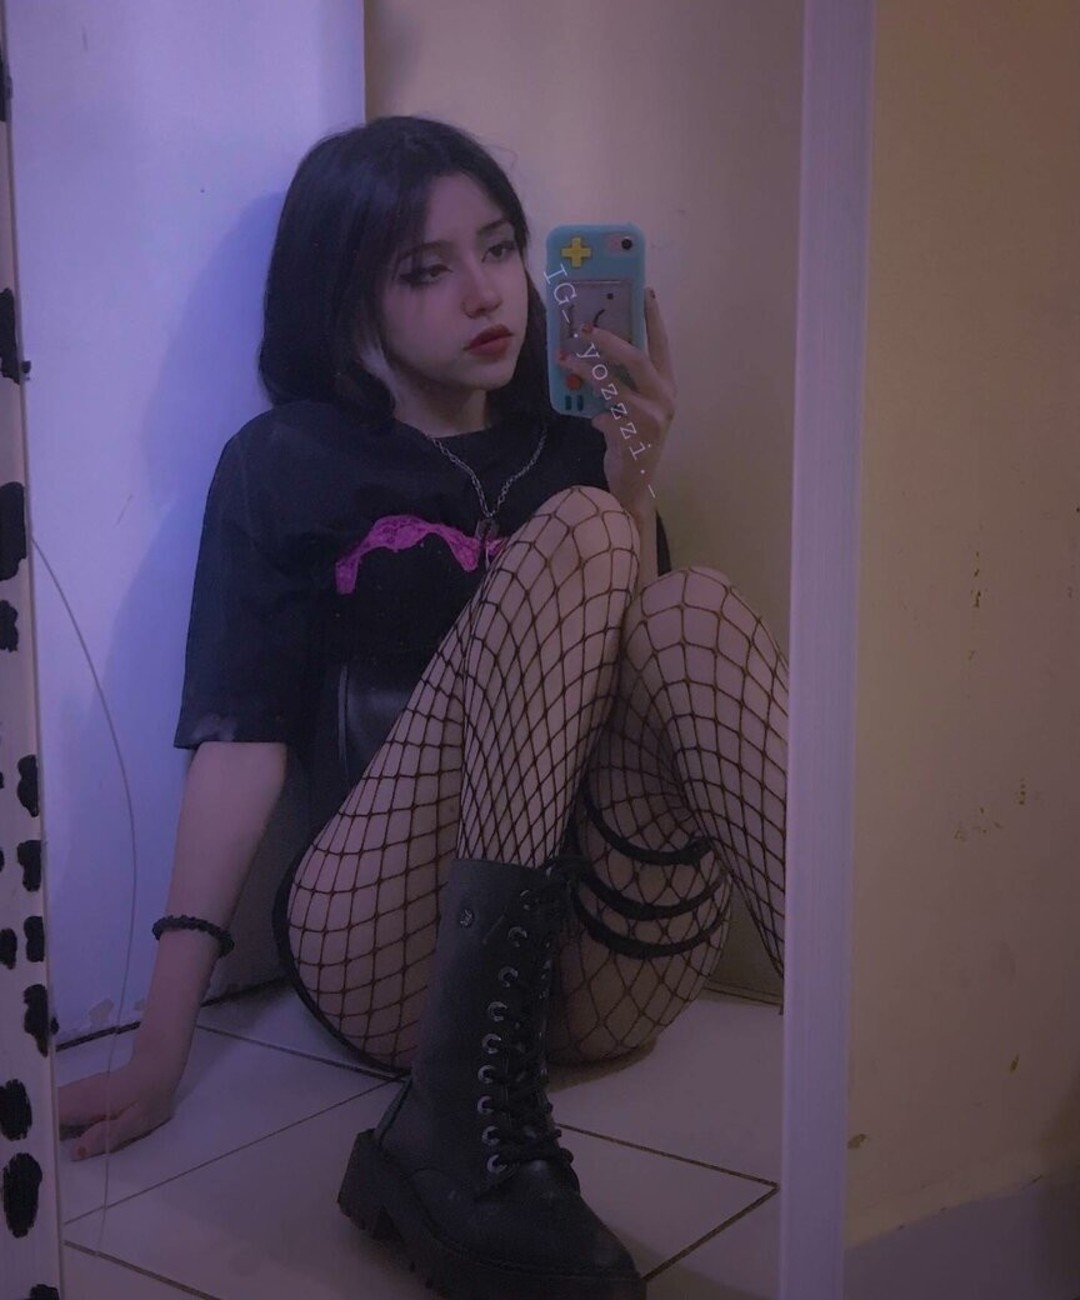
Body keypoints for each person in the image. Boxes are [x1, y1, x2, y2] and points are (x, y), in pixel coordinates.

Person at [58, 116, 788, 1299]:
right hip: (387, 955)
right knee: (586, 527)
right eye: (425, 269)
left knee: (688, 605)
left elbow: (638, 694)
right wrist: (159, 1042)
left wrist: (634, 474)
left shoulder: (576, 445)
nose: (486, 292)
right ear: (349, 300)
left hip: (595, 975)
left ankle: (863, 1043)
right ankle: (449, 1121)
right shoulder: (285, 460)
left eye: (498, 248)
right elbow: (241, 746)